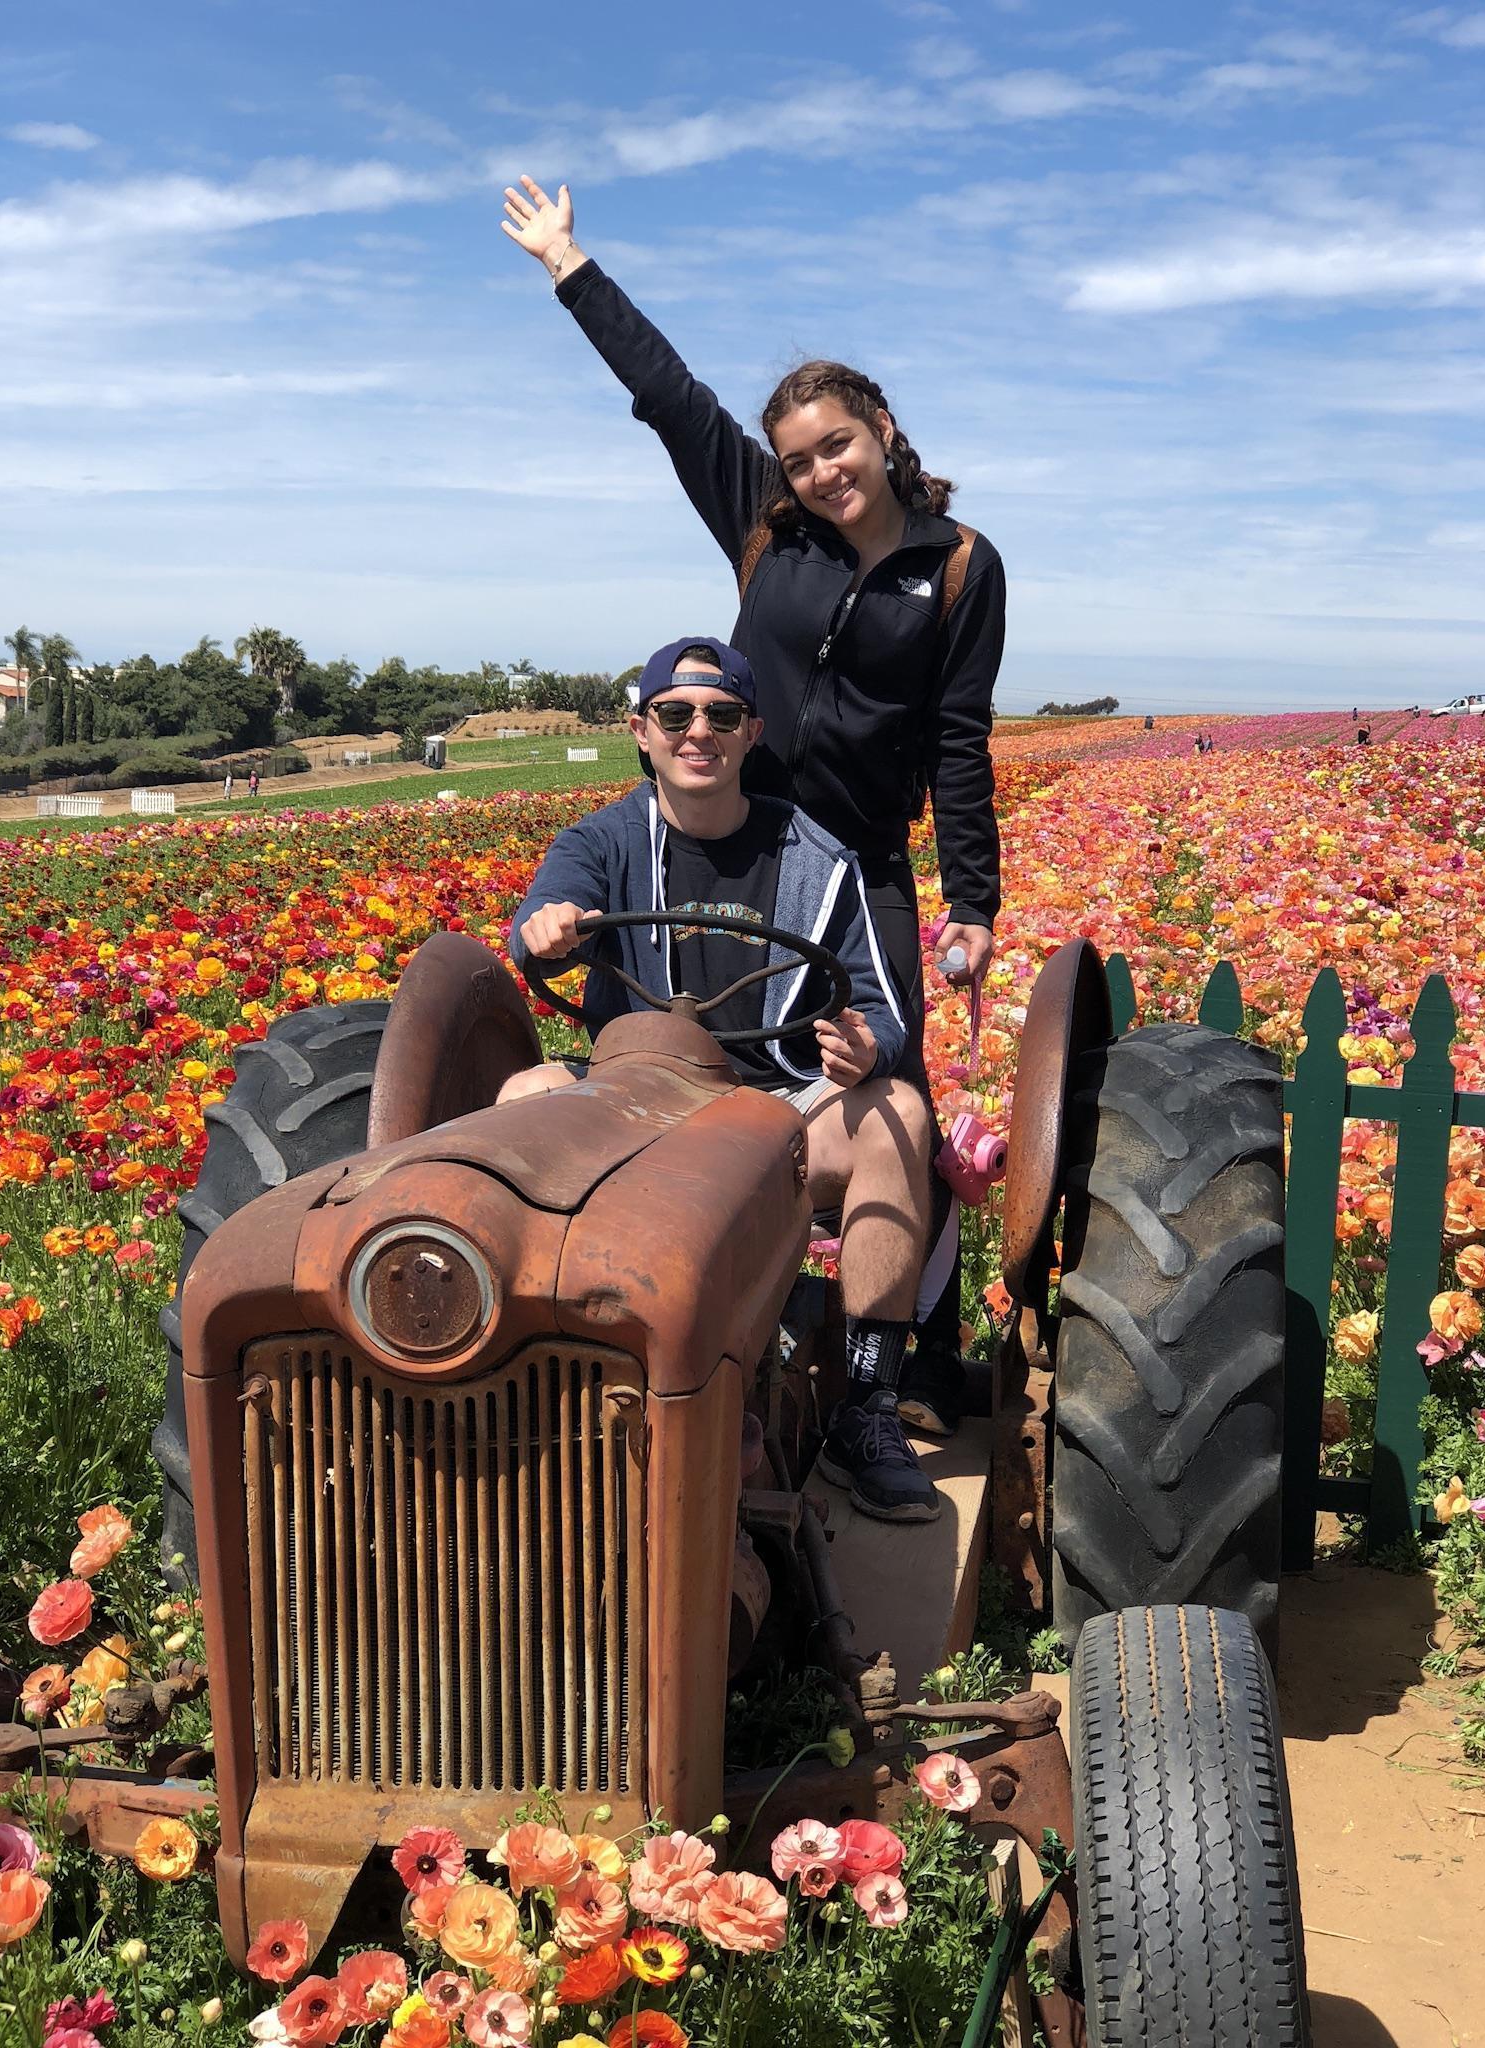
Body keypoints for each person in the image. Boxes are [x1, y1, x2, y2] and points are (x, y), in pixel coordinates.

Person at [501, 173, 1006, 1437]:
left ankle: (904, 1367)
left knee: (887, 1080)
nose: (821, 472)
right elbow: (669, 400)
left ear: (880, 429)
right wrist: (570, 268)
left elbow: (956, 737)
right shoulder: (765, 528)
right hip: (736, 824)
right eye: (798, 458)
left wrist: (972, 900)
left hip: (855, 859)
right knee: (693, 1058)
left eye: (836, 445)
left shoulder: (956, 567)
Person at [506, 639, 942, 1523]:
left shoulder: (818, 856)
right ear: (642, 731)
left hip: (775, 1110)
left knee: (896, 1112)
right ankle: (530, 1387)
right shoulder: (602, 841)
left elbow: (881, 1008)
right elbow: (540, 922)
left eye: (721, 715)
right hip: (632, 1096)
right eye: (675, 713)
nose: (697, 732)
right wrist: (545, 930)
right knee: (521, 1101)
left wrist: (868, 1047)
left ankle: (866, 1403)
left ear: (752, 732)